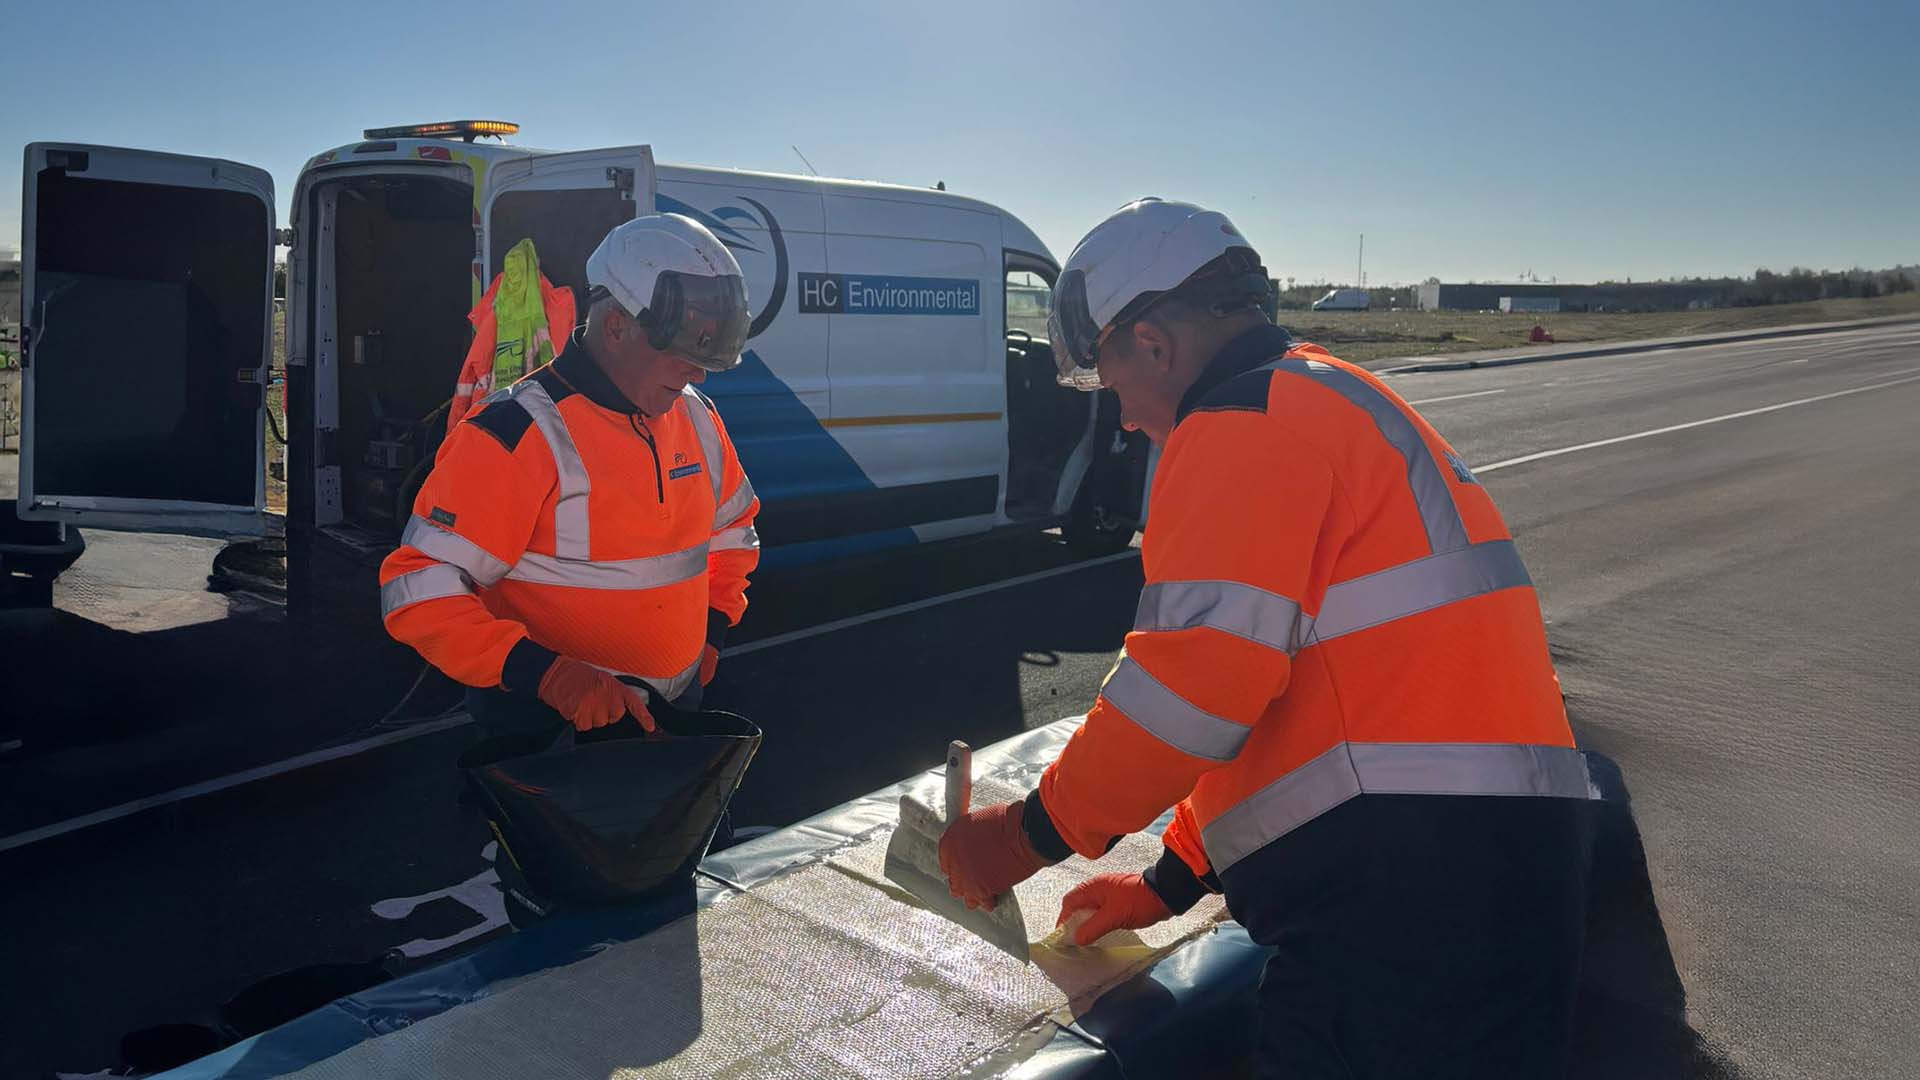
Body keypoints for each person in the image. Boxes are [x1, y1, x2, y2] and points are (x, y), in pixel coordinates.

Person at [938, 199, 1595, 1078]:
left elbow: (1188, 698)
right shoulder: (1326, 396)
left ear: (1154, 345)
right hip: (1482, 870)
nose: (1124, 420)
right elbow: (1302, 704)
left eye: (1112, 381)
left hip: (1401, 902)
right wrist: (1165, 881)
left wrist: (1025, 836)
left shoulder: (1239, 428)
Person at [378, 213, 760, 739]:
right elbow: (417, 585)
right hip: (548, 727)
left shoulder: (697, 417)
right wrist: (547, 675)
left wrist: (713, 630)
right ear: (616, 327)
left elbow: (734, 533)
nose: (696, 373)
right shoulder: (515, 431)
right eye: (681, 354)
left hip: (671, 712)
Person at [446, 237, 576, 435]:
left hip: (493, 415)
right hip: (545, 413)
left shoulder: (496, 308)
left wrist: (455, 428)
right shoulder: (558, 304)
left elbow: (469, 372)